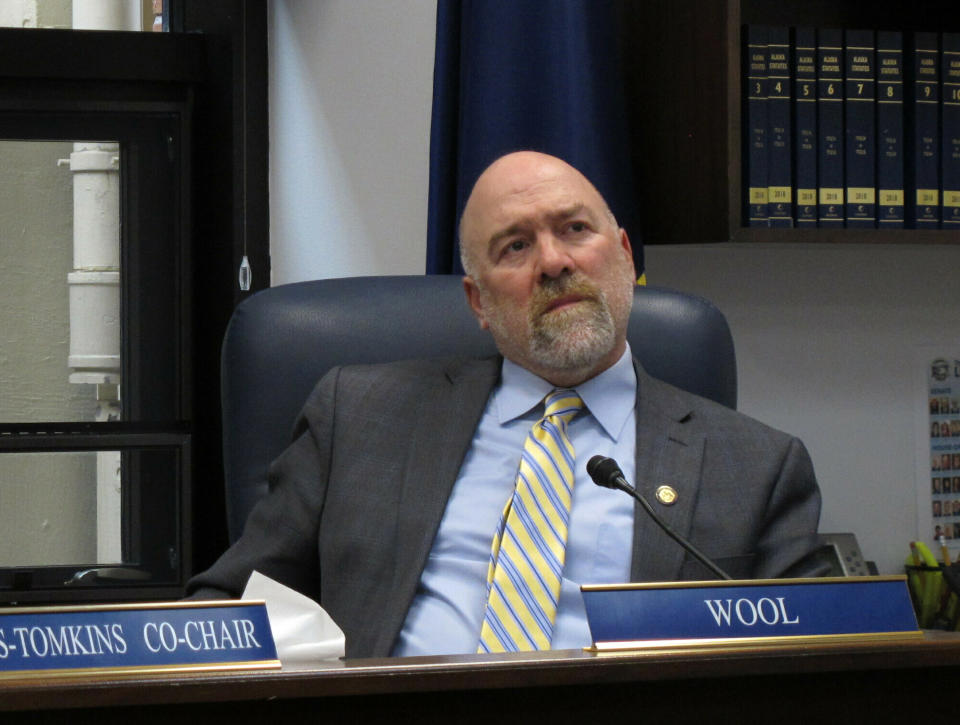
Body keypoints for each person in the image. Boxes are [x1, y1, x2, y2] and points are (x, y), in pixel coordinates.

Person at [187, 151, 823, 658]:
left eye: (575, 229)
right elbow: (231, 606)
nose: (553, 262)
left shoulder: (757, 465)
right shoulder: (359, 415)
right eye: (515, 247)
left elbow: (825, 656)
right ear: (477, 302)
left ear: (625, 257)